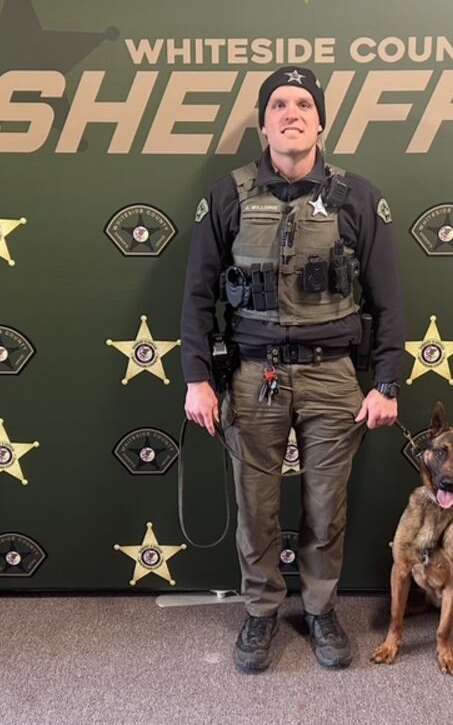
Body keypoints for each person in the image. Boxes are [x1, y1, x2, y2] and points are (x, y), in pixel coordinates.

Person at [181, 66, 404, 672]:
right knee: (256, 507)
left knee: (326, 506)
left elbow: (388, 301)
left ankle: (320, 608)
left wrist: (386, 382)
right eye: (278, 104)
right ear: (262, 122)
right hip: (253, 374)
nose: (291, 113)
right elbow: (199, 295)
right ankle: (259, 613)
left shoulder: (359, 197)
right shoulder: (226, 195)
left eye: (303, 104)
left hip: (334, 375)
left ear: (321, 122)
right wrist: (197, 378)